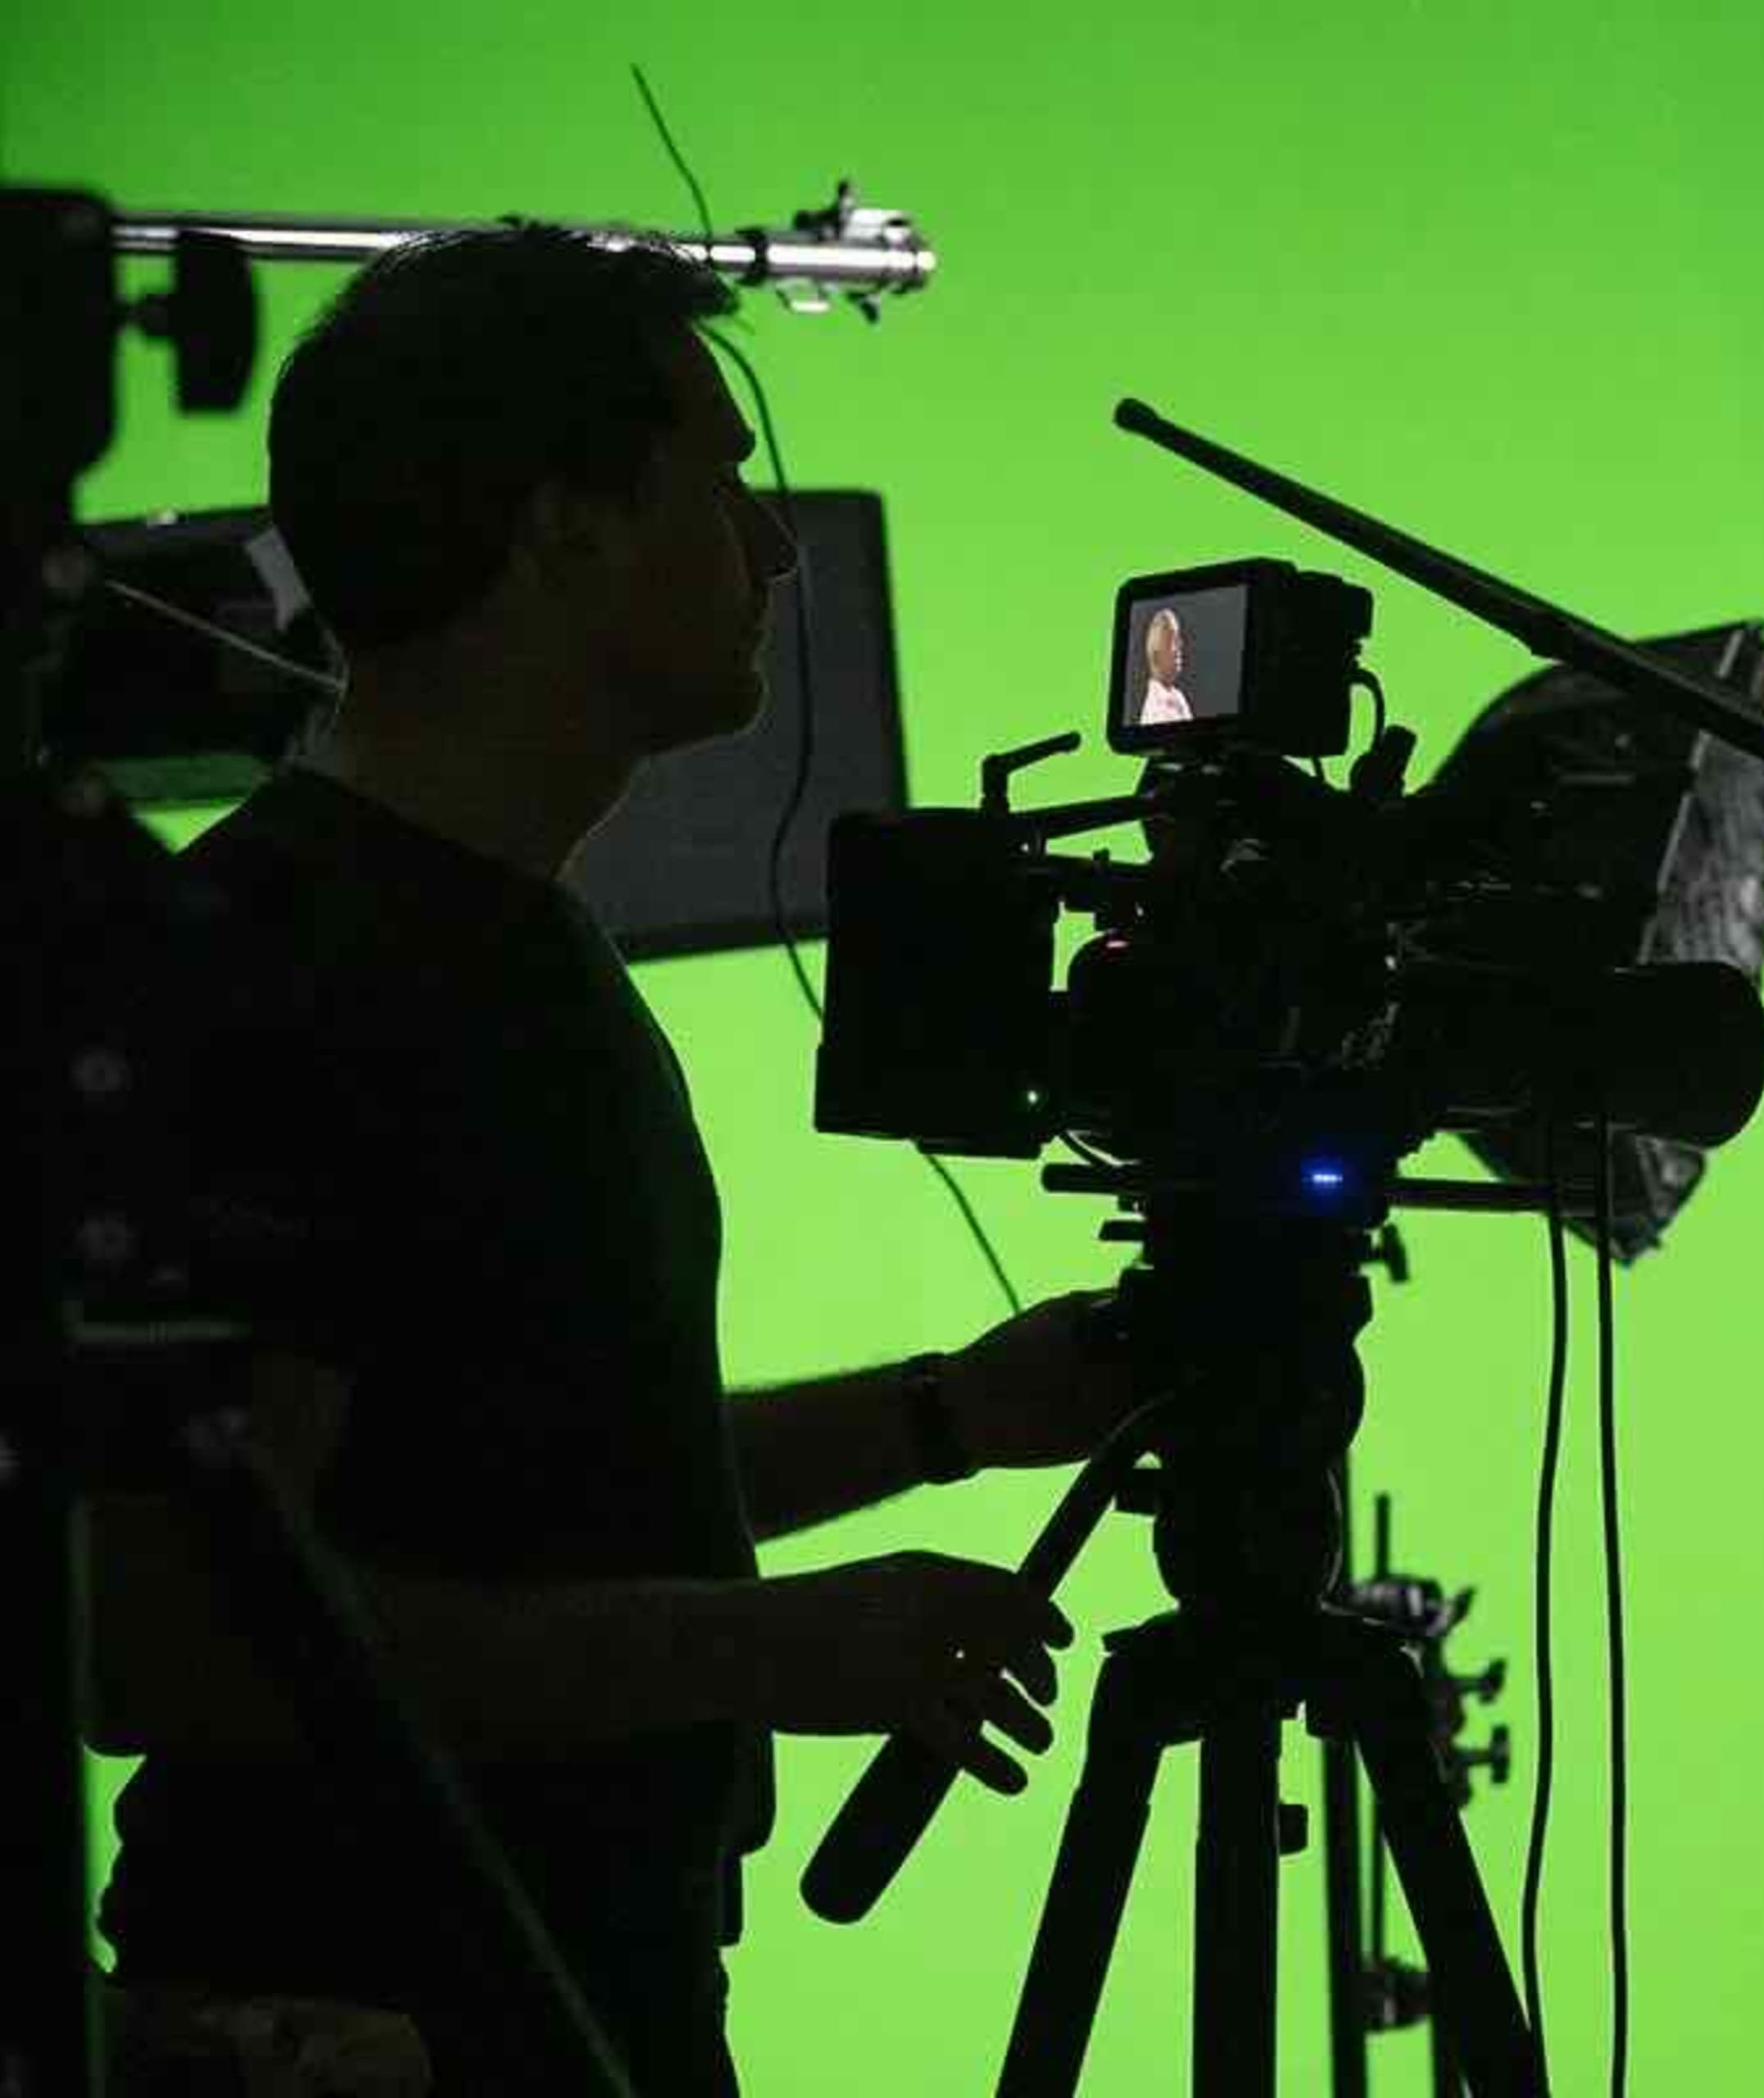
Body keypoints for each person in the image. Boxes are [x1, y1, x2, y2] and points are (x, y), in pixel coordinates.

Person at [82, 224, 1141, 2096]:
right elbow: (179, 1639)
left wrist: (952, 1409)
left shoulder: (515, 951)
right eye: (724, 480)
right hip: (366, 2027)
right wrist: (756, 1649)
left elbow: (540, 1487)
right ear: (564, 529)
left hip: (586, 2002)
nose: (780, 547)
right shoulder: (270, 975)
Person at [1136, 605, 1193, 724]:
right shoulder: (1156, 712)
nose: (1180, 646)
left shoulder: (1178, 697)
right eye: (1172, 640)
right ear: (1157, 656)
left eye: (1178, 639)